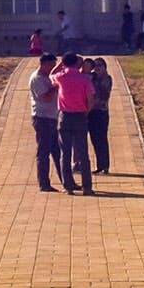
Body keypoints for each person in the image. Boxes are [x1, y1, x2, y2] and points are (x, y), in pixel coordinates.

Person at [51, 53, 94, 195]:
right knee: (83, 153)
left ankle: (68, 186)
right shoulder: (85, 79)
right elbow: (90, 99)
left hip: (65, 116)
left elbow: (51, 74)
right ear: (77, 63)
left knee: (65, 153)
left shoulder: (61, 77)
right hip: (80, 116)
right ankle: (87, 187)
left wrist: (61, 64)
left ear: (64, 63)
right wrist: (86, 112)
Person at [28, 52, 61, 192]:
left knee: (57, 151)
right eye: (51, 65)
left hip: (51, 118)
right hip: (42, 118)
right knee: (44, 152)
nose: (52, 68)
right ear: (44, 64)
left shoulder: (47, 76)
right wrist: (56, 85)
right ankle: (44, 183)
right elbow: (46, 97)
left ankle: (66, 180)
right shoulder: (37, 78)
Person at [88, 57, 112, 174]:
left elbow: (103, 94)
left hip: (101, 112)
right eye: (95, 66)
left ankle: (105, 165)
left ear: (104, 67)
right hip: (91, 112)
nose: (97, 68)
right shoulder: (91, 77)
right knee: (94, 139)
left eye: (100, 66)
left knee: (102, 138)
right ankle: (99, 165)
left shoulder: (106, 79)